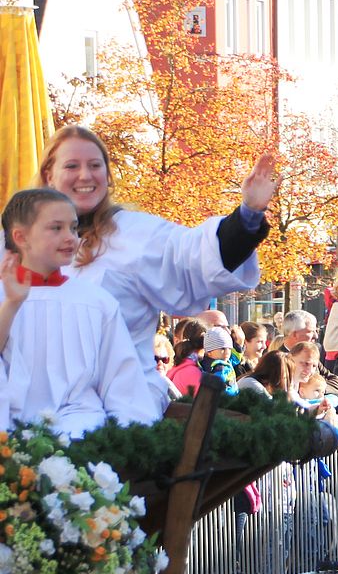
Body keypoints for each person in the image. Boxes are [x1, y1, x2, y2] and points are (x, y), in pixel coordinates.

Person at [34, 125, 276, 413]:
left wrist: (247, 214)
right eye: (72, 165)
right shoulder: (16, 244)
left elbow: (194, 256)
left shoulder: (133, 234)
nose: (85, 175)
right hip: (34, 408)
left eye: (95, 165)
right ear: (49, 174)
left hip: (116, 410)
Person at [0, 187, 153, 438]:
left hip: (82, 432)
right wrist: (12, 304)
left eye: (73, 227)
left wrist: (128, 439)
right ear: (20, 237)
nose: (70, 237)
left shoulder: (96, 301)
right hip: (10, 435)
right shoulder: (4, 298)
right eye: (56, 228)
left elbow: (122, 381)